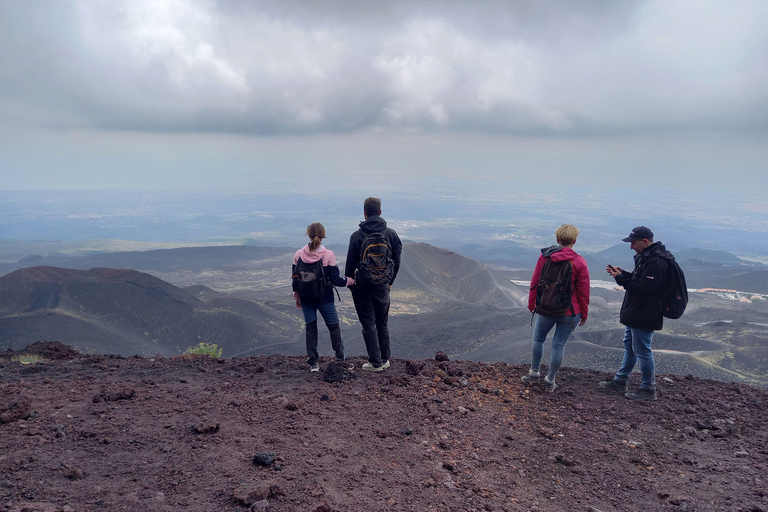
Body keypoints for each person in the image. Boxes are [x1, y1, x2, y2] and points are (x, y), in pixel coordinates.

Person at [599, 226, 671, 401]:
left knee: (642, 350)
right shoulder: (647, 258)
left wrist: (620, 278)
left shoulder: (656, 261)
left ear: (645, 242)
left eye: (634, 243)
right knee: (631, 346)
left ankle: (648, 389)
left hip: (644, 313)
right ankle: (620, 380)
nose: (631, 247)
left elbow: (643, 289)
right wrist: (622, 273)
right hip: (637, 312)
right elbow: (640, 280)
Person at [521, 224, 590, 392]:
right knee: (559, 346)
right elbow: (583, 291)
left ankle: (534, 372)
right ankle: (550, 380)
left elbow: (535, 283)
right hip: (571, 311)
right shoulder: (579, 262)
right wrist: (584, 313)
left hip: (547, 307)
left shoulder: (545, 257)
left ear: (558, 240)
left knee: (538, 339)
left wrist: (532, 304)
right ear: (574, 241)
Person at [345, 197, 402, 372]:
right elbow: (397, 261)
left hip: (363, 287)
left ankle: (375, 362)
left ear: (365, 213)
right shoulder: (391, 235)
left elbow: (349, 266)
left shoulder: (357, 236)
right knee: (382, 323)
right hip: (383, 285)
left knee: (368, 324)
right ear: (380, 212)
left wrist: (352, 282)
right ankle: (385, 359)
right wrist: (389, 282)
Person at [292, 222, 355, 372]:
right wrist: (351, 281)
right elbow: (336, 280)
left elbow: (295, 279)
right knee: (334, 328)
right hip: (325, 298)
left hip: (306, 298)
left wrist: (297, 296)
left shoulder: (299, 254)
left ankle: (313, 363)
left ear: (308, 235)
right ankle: (340, 359)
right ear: (323, 235)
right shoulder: (328, 255)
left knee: (311, 329)